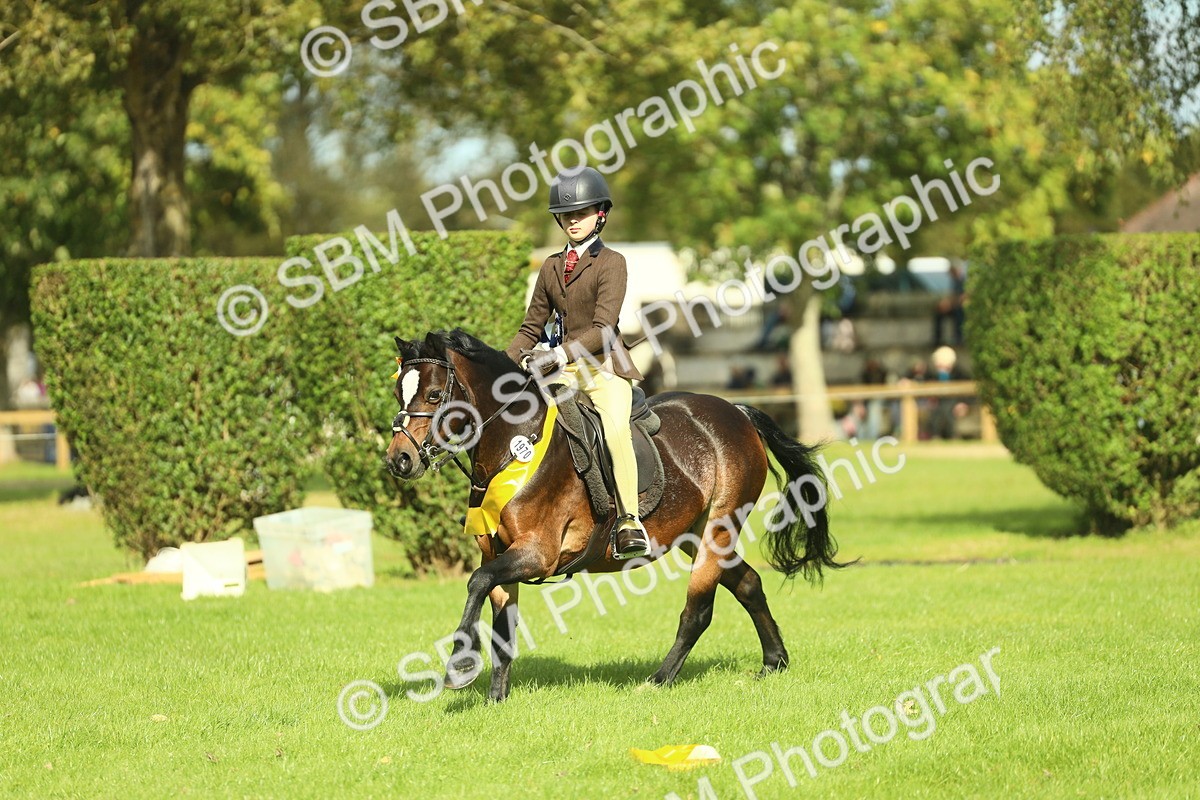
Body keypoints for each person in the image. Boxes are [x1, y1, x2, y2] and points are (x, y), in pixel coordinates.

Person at [505, 167, 650, 560]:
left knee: (616, 429)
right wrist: (504, 364)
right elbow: (530, 326)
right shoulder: (551, 266)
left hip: (603, 368)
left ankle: (629, 521)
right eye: (567, 214)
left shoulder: (612, 262)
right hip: (561, 371)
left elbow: (604, 328)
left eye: (582, 212)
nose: (573, 220)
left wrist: (558, 354)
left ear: (600, 213)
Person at [933, 263, 966, 346]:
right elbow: (952, 296)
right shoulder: (954, 282)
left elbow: (963, 297)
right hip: (954, 306)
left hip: (960, 307)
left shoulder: (963, 281)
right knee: (938, 314)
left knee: (959, 313)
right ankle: (938, 339)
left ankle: (959, 338)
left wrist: (950, 304)